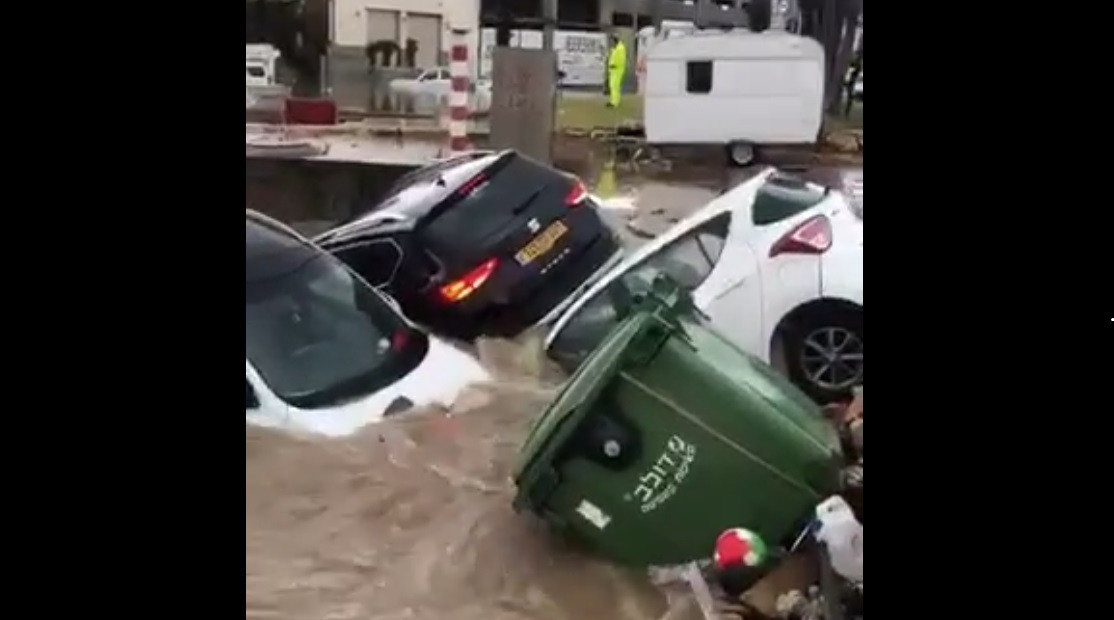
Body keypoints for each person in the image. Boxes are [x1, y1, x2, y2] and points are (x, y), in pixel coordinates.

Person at [606, 32, 627, 108]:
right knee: (612, 86)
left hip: (617, 69)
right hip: (613, 69)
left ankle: (615, 102)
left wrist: (615, 65)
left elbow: (621, 59)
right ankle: (613, 100)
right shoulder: (615, 47)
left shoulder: (620, 48)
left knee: (615, 86)